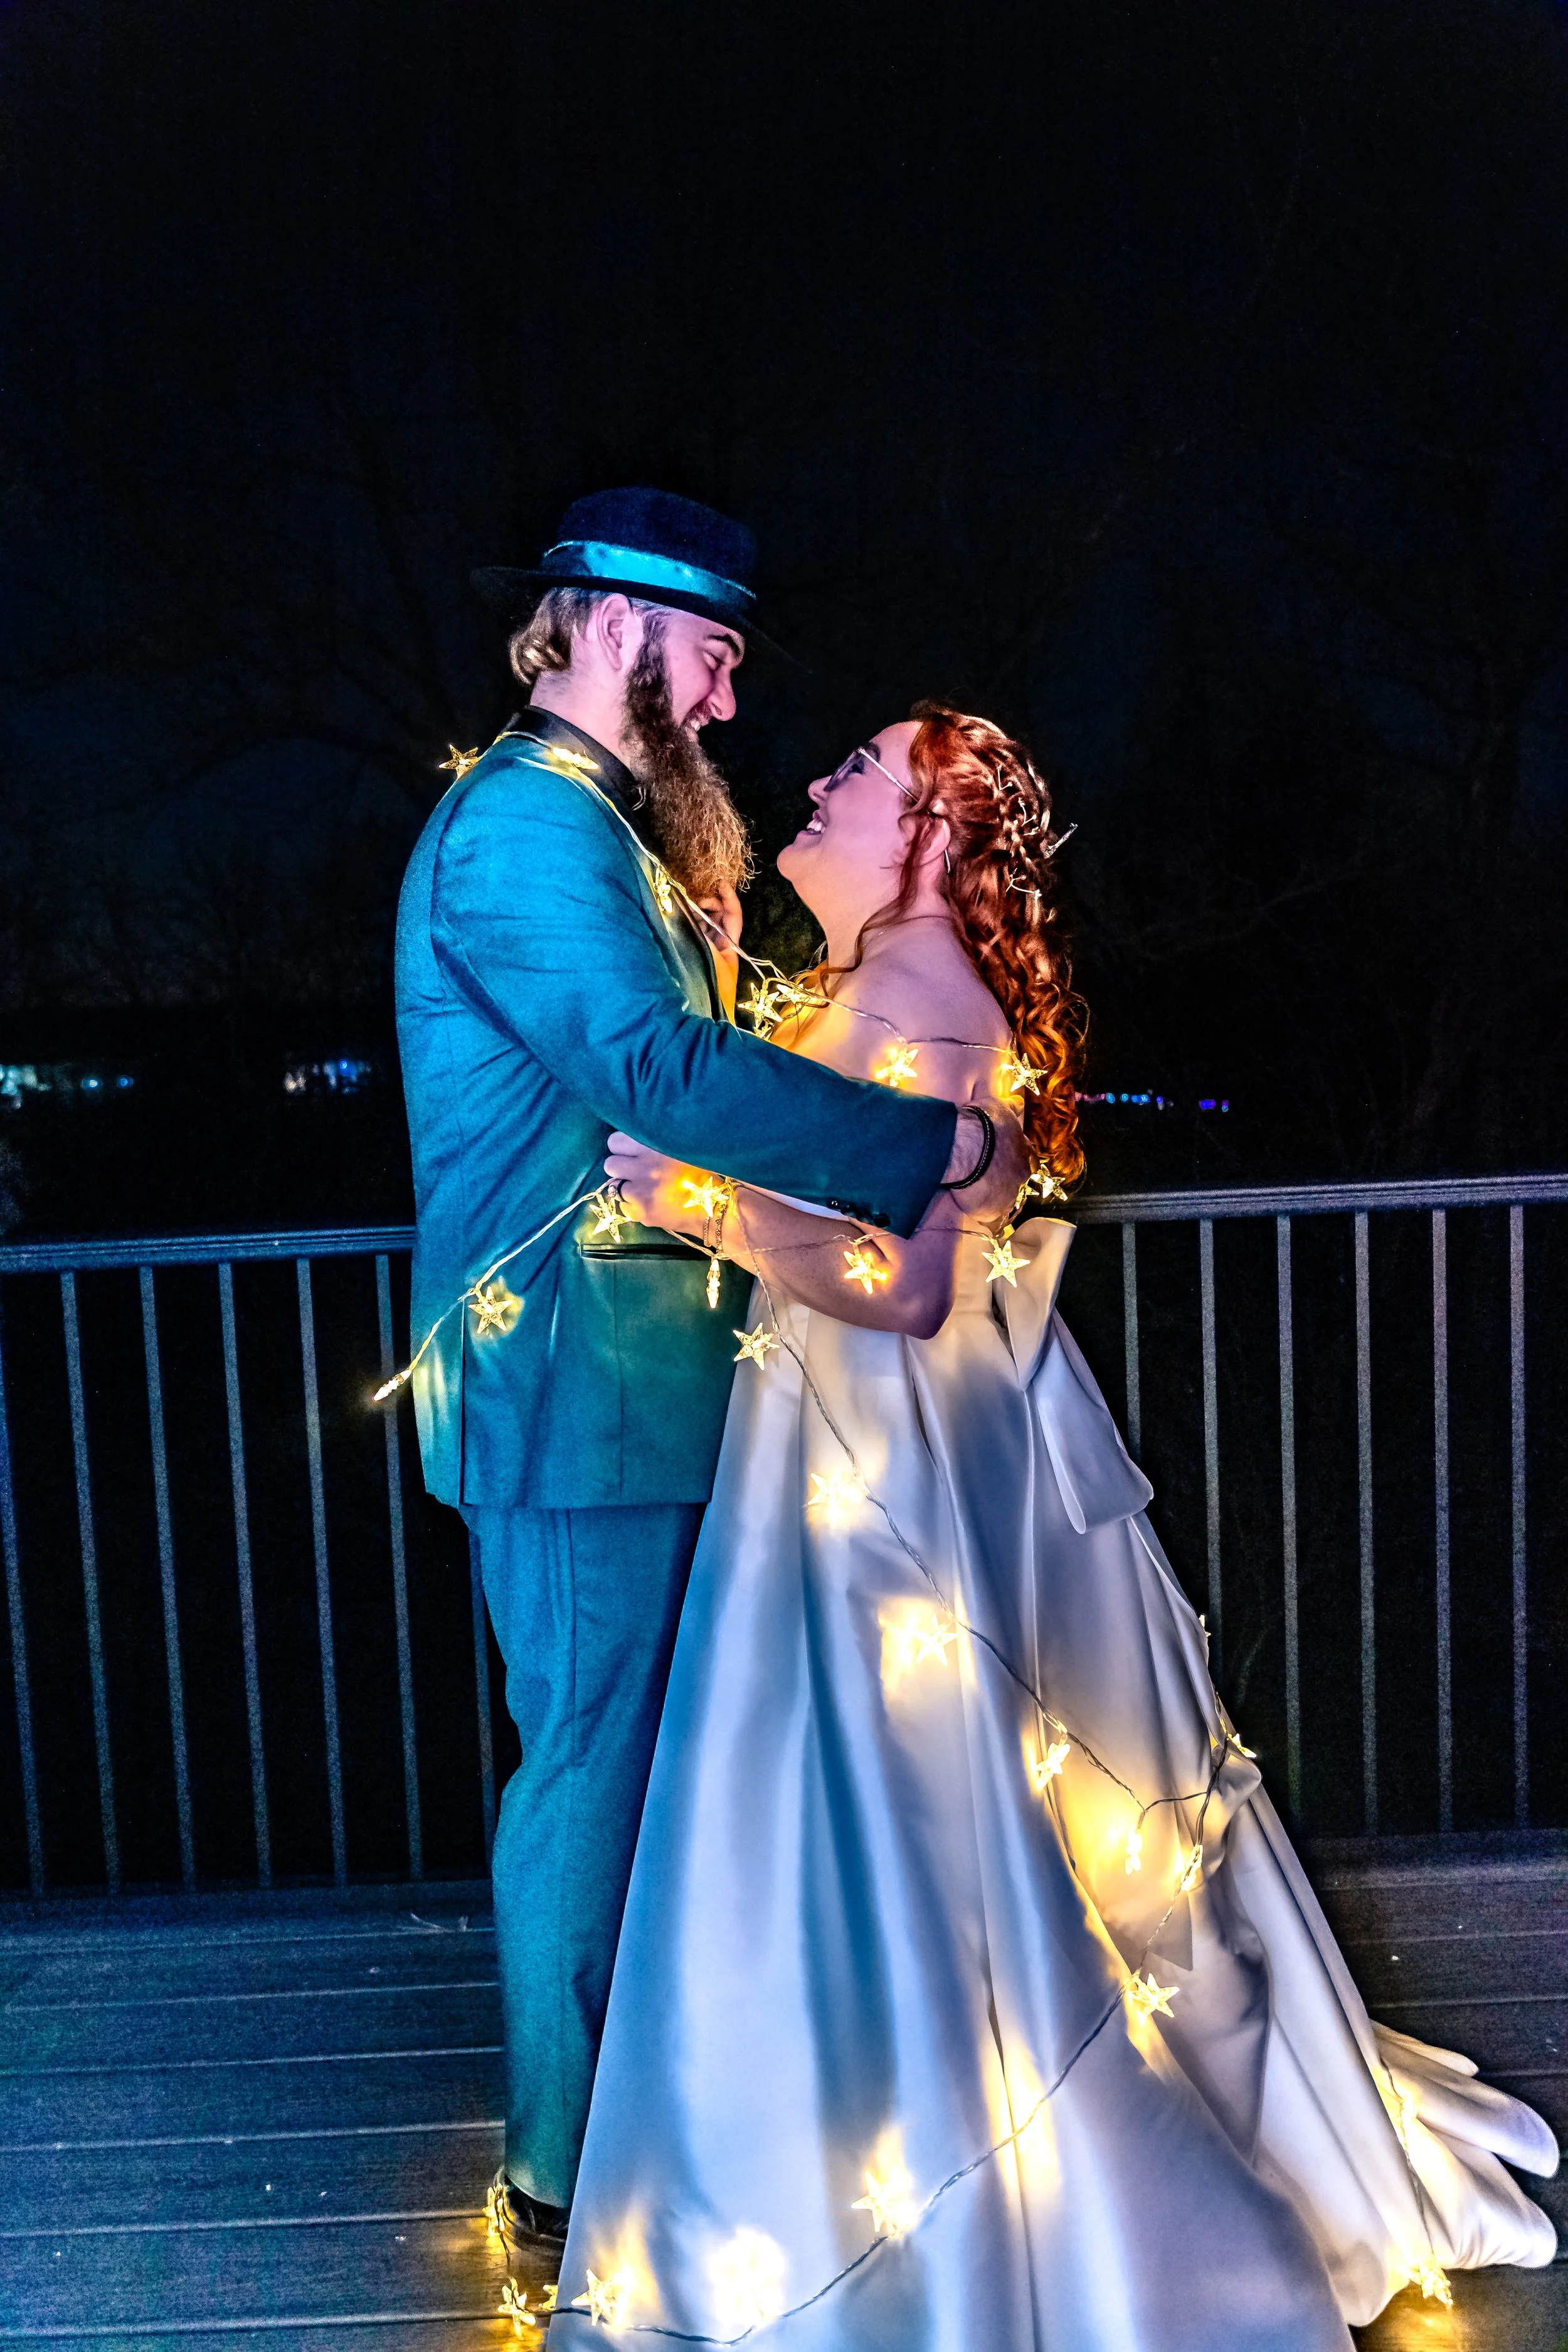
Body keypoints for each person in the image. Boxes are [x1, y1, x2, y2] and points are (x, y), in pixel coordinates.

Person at [560, 706, 1558, 2346]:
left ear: (930, 833)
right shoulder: (896, 982)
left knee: (885, 1807)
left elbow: (907, 1284)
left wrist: (696, 1207)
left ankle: (917, 2173)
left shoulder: (911, 994)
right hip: (890, 1435)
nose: (817, 782)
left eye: (858, 773)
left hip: (880, 1454)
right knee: (899, 1803)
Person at [393, 495, 1018, 2254]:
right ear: (611, 626)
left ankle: (638, 2134)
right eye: (714, 655)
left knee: (640, 1765)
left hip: (637, 1381)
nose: (732, 699)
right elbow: (655, 1070)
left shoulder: (599, 826)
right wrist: (929, 1147)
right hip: (570, 1389)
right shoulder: (524, 825)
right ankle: (559, 2178)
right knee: (591, 1763)